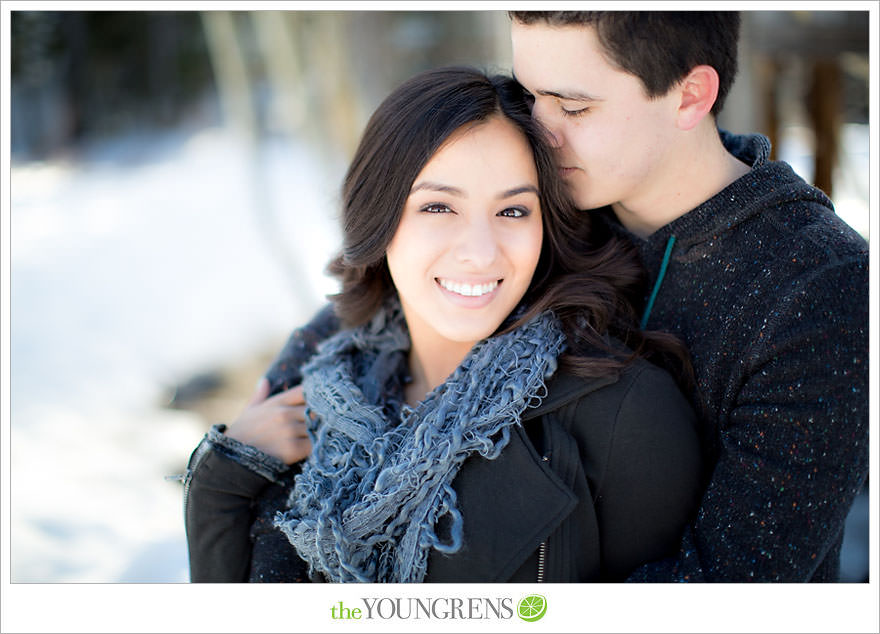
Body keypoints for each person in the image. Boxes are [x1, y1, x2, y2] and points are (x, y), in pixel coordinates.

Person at [254, 11, 870, 582]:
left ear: (690, 95)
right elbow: (389, 303)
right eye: (529, 94)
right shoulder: (551, 196)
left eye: (573, 107)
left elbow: (737, 586)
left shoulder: (820, 287)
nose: (540, 133)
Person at [183, 66, 704, 583]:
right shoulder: (316, 398)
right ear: (379, 218)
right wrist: (221, 481)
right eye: (438, 206)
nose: (479, 254)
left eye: (514, 211)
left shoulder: (624, 414)